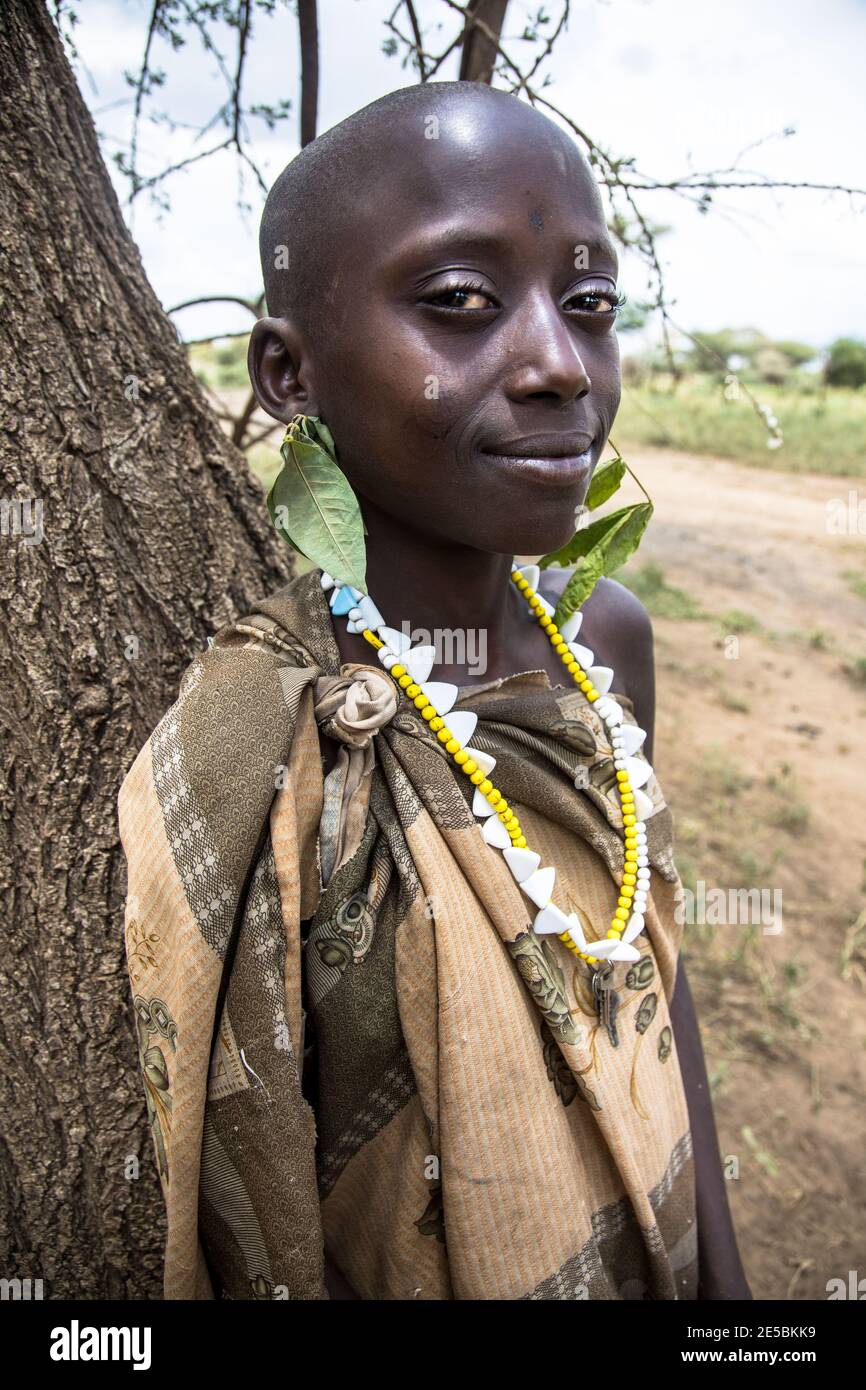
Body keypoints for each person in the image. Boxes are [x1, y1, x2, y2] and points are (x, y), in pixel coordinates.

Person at [119, 80, 750, 1301]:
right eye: (460, 301)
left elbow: (649, 982)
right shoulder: (271, 729)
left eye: (588, 304)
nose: (560, 365)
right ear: (289, 376)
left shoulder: (605, 644)